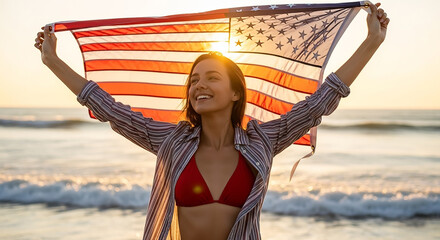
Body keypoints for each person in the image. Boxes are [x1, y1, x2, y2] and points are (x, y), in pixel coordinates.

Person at [34, 2, 389, 240]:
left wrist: (372, 41)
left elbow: (323, 99)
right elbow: (108, 108)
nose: (199, 85)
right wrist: (52, 61)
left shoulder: (263, 140)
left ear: (236, 92)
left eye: (212, 78)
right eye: (194, 79)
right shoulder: (171, 141)